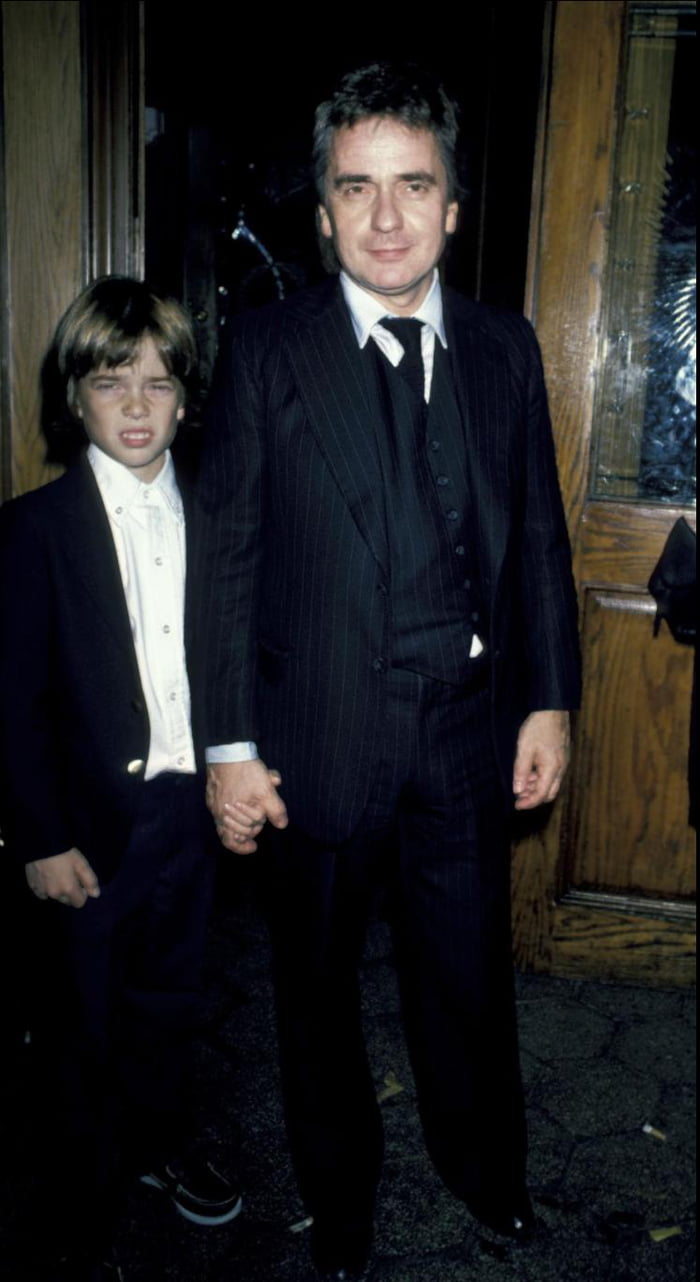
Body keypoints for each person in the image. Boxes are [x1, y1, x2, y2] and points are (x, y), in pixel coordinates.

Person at [199, 62, 581, 1282]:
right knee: (313, 998)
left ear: (453, 207)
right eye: (354, 189)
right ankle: (343, 1199)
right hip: (317, 737)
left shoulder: (506, 350)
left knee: (466, 983)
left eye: (413, 186)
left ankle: (485, 1174)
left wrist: (550, 697)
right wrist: (229, 747)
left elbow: (538, 539)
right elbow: (229, 565)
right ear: (319, 212)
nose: (384, 217)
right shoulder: (265, 353)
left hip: (467, 730)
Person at [0, 278, 243, 1282]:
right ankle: (75, 1197)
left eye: (158, 383)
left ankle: (155, 1143)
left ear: (188, 398)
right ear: (75, 399)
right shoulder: (32, 532)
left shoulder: (225, 518)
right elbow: (11, 704)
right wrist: (37, 837)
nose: (137, 407)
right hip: (89, 826)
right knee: (78, 1022)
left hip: (192, 812)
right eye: (111, 384)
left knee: (172, 1000)